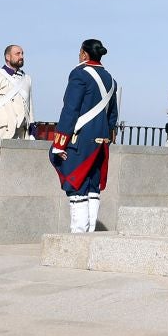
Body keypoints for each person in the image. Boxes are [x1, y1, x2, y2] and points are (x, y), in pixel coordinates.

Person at [50, 38, 119, 233]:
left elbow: (70, 110)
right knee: (92, 185)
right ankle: (89, 235)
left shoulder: (79, 74)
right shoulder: (110, 79)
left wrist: (60, 142)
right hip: (101, 141)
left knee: (76, 182)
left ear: (84, 53)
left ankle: (78, 236)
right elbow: (112, 115)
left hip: (80, 139)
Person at [0, 44, 34, 139]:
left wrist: (32, 132)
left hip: (22, 132)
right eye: (17, 54)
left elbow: (30, 107)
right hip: (3, 129)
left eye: (22, 54)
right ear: (8, 57)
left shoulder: (27, 78)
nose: (21, 56)